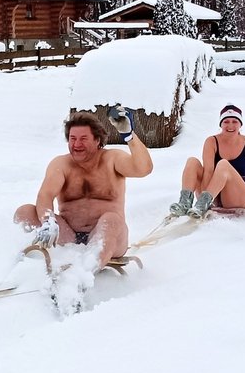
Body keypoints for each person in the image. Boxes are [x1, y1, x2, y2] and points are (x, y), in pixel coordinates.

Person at [13, 107, 153, 268]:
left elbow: (144, 169)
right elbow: (45, 194)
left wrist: (129, 136)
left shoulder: (112, 159)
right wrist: (47, 221)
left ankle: (81, 276)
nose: (77, 144)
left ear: (97, 140)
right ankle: (27, 265)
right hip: (69, 237)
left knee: (111, 219)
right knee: (25, 212)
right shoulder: (61, 164)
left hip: (109, 236)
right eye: (72, 138)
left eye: (83, 138)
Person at [169, 104, 245, 217]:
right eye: (226, 121)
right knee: (192, 161)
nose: (230, 125)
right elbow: (208, 171)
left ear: (240, 124)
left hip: (238, 196)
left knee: (223, 164)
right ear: (221, 124)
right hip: (213, 194)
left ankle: (203, 203)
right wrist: (206, 199)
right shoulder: (212, 141)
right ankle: (184, 203)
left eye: (234, 121)